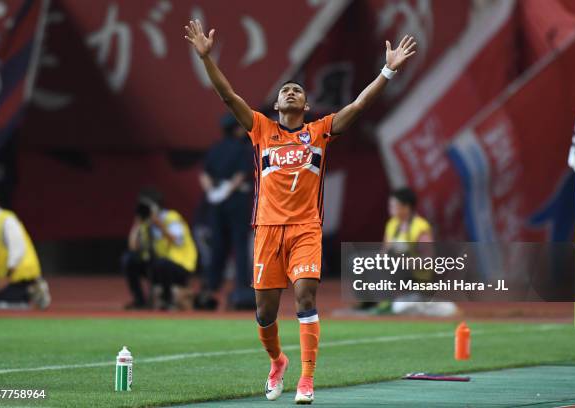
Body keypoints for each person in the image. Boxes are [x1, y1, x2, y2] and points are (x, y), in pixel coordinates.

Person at [185, 19, 416, 404]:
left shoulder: (320, 131)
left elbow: (359, 105)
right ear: (277, 105)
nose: (291, 92)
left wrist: (388, 70)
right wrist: (207, 59)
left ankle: (307, 380)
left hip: (306, 228)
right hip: (266, 230)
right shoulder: (260, 130)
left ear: (306, 106)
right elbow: (228, 97)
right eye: (285, 90)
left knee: (306, 297)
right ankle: (277, 361)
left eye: (298, 91)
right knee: (264, 312)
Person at [196, 114, 255, 310]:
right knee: (240, 244)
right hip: (235, 200)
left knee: (218, 245)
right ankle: (241, 287)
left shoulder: (215, 148)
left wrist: (213, 194)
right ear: (237, 129)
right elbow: (240, 175)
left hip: (216, 201)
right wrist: (226, 192)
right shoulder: (242, 148)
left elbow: (205, 174)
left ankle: (212, 286)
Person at [380, 187, 457, 317]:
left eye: (394, 205)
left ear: (406, 207)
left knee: (400, 307)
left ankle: (443, 307)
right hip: (396, 281)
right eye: (390, 205)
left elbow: (428, 261)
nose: (390, 208)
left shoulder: (420, 227)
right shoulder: (392, 224)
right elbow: (384, 253)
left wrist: (403, 262)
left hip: (417, 281)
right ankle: (378, 302)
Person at [123, 188, 198, 310]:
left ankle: (167, 300)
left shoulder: (171, 217)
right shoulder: (145, 223)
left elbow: (177, 241)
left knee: (161, 263)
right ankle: (139, 301)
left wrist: (159, 224)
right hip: (157, 266)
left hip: (179, 266)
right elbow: (133, 247)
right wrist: (137, 225)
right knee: (128, 259)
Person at [0, 185, 50, 310]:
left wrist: (5, 278)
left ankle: (31, 293)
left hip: (20, 276)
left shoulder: (7, 220)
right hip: (2, 276)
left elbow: (17, 250)